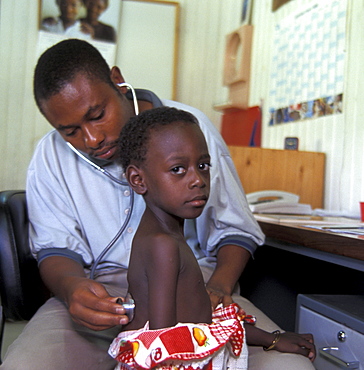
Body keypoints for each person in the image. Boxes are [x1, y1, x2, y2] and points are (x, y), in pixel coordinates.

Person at [0, 39, 314, 369]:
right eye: (70, 131)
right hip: (98, 295)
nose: (91, 139)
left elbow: (234, 228)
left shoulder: (189, 128)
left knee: (291, 367)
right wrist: (72, 289)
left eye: (97, 115)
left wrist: (219, 285)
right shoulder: (50, 157)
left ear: (118, 82)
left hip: (200, 287)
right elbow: (55, 249)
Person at [108, 106, 315, 369]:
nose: (198, 180)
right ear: (138, 180)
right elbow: (163, 347)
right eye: (178, 169)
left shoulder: (164, 235)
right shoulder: (163, 246)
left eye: (203, 165)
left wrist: (271, 339)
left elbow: (199, 319)